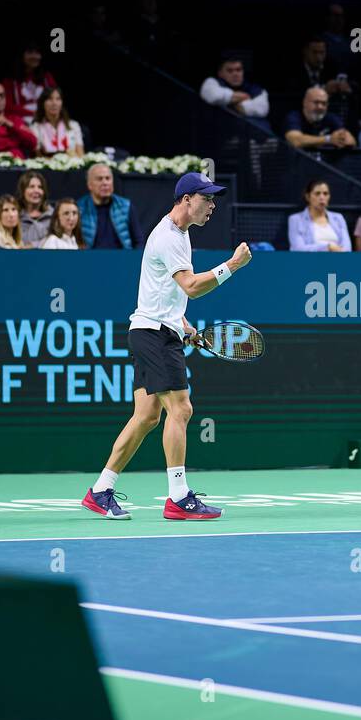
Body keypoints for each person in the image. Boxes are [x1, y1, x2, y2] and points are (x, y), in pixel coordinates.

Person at [81, 171, 252, 521]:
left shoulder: (179, 233)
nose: (212, 206)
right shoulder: (169, 237)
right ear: (187, 200)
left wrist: (182, 323)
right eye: (207, 199)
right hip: (155, 335)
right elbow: (190, 285)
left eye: (214, 200)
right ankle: (178, 497)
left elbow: (168, 290)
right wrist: (232, 266)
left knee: (145, 417)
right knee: (182, 409)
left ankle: (100, 490)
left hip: (151, 329)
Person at [77, 163, 145, 249]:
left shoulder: (126, 206)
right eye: (99, 179)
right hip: (89, 260)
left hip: (122, 259)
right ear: (89, 185)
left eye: (108, 178)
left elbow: (139, 241)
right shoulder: (79, 208)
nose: (105, 183)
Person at [199, 55, 270, 125]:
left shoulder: (255, 89)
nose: (235, 74)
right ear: (220, 73)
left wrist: (226, 102)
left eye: (238, 70)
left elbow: (262, 110)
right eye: (230, 71)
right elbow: (214, 97)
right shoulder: (211, 82)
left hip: (253, 132)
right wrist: (243, 97)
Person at [283, 87, 356, 149]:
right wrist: (328, 139)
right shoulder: (294, 117)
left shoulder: (331, 118)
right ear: (305, 102)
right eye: (316, 102)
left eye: (324, 103)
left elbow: (351, 141)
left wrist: (344, 139)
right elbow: (295, 141)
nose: (320, 107)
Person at [288, 180, 351, 251]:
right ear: (308, 197)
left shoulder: (338, 218)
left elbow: (347, 248)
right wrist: (327, 247)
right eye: (317, 194)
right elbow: (298, 249)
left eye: (325, 193)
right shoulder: (296, 219)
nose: (322, 197)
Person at [3, 42, 58, 122]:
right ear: (21, 56)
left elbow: (56, 98)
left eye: (37, 53)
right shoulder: (10, 80)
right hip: (22, 120)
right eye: (30, 52)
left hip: (47, 118)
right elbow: (7, 106)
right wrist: (34, 113)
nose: (34, 56)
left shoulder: (46, 77)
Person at [30, 87, 85, 157]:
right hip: (47, 166)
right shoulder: (36, 127)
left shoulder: (73, 125)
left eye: (58, 99)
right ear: (43, 103)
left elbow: (81, 155)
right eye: (50, 99)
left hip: (72, 165)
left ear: (62, 103)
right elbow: (37, 156)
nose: (54, 103)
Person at [16, 171, 53, 246]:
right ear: (23, 191)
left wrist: (33, 245)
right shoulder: (14, 215)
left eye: (40, 187)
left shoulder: (53, 216)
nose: (36, 191)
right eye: (31, 186)